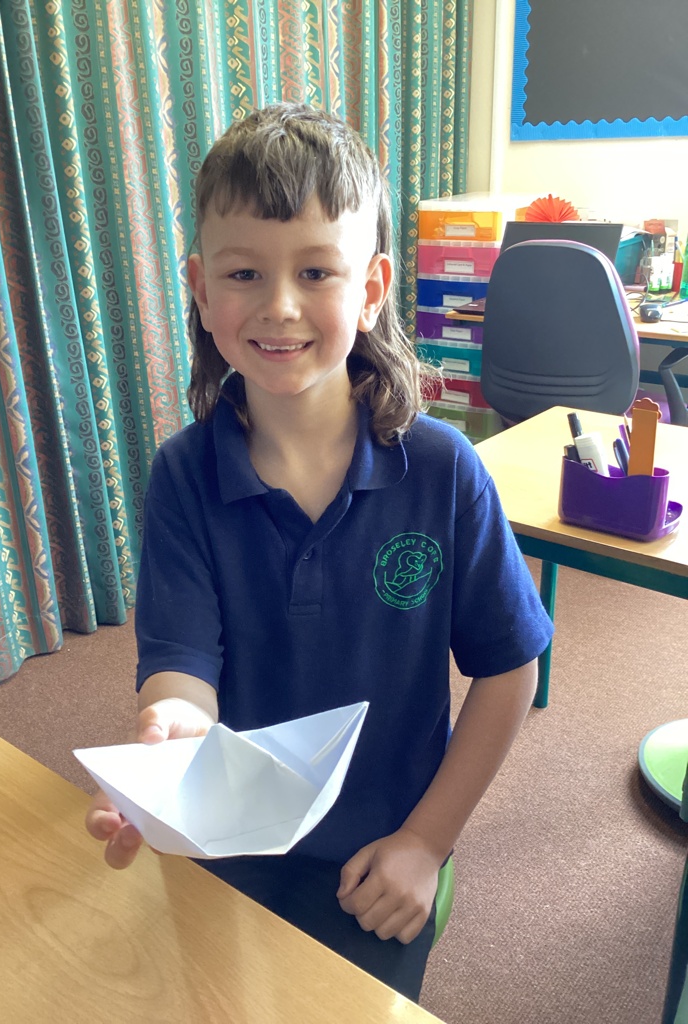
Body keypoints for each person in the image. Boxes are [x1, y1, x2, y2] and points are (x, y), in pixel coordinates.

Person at [86, 102, 554, 1003]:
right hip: (227, 845)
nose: (279, 306)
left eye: (315, 271)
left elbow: (508, 669)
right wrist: (166, 740)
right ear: (200, 288)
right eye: (244, 273)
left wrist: (426, 842)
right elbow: (182, 671)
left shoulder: (443, 470)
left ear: (372, 287)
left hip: (380, 856)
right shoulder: (183, 474)